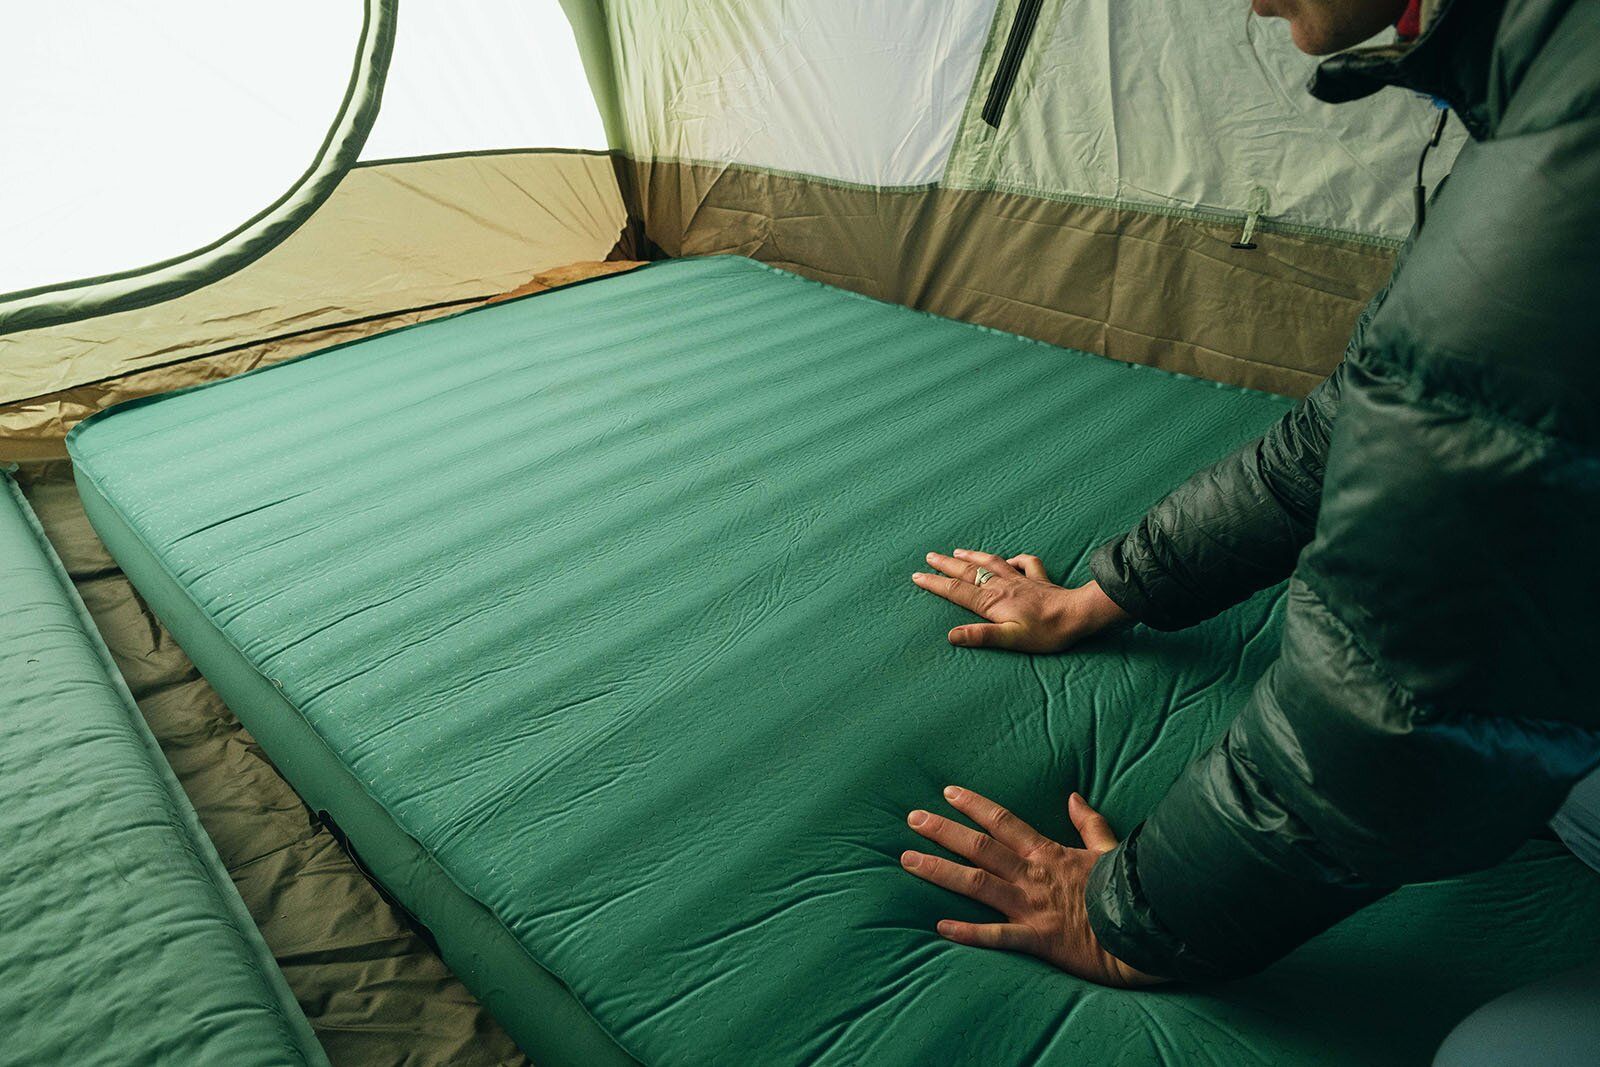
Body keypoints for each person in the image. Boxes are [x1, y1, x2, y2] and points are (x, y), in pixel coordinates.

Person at [898, 0, 1600, 1010]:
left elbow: (1417, 671)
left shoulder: (1569, 152)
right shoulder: (1543, 89)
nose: (1254, 2)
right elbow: (1350, 426)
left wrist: (1136, 914)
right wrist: (1101, 593)